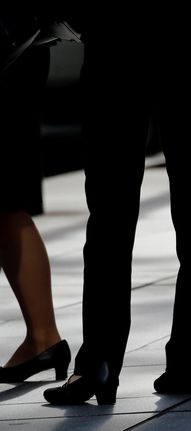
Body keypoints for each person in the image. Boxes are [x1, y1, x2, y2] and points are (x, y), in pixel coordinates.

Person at [44, 0, 191, 405]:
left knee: (109, 208)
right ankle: (190, 362)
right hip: (183, 28)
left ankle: (99, 363)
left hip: (114, 29)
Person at [0, 41, 70, 384]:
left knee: (7, 199)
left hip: (11, 46)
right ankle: (42, 336)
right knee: (7, 200)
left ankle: (43, 336)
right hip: (21, 43)